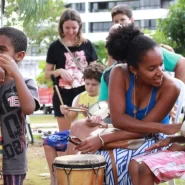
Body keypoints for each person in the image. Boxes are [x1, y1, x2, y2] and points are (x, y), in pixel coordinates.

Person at [74, 25, 182, 185]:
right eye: (152, 68)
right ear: (134, 69)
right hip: (123, 133)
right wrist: (158, 126)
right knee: (92, 159)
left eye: (161, 64)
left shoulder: (170, 87)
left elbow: (144, 130)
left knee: (116, 161)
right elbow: (118, 120)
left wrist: (102, 139)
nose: (160, 72)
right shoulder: (119, 73)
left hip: (152, 139)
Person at [43, 63, 105, 185]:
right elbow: (71, 118)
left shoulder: (103, 98)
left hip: (91, 135)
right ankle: (55, 177)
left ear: (101, 84)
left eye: (94, 84)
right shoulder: (80, 97)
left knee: (73, 143)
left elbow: (103, 122)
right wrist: (65, 112)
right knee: (48, 141)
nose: (90, 87)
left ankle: (71, 176)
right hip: (74, 133)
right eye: (87, 84)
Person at [45, 9, 98, 132]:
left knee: (87, 133)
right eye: (67, 28)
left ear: (79, 26)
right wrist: (59, 71)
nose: (70, 31)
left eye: (74, 28)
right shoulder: (55, 47)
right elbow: (47, 74)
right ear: (61, 27)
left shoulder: (87, 44)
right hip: (63, 96)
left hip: (86, 94)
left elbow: (95, 72)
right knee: (65, 135)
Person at [104, 4, 185, 84]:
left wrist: (179, 93)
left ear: (131, 20)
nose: (120, 24)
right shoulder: (115, 60)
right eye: (116, 21)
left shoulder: (144, 45)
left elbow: (181, 63)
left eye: (122, 20)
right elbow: (110, 76)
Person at [0, 27, 40, 185]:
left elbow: (29, 108)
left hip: (14, 158)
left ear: (19, 55)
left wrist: (16, 74)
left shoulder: (26, 83)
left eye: (2, 50)